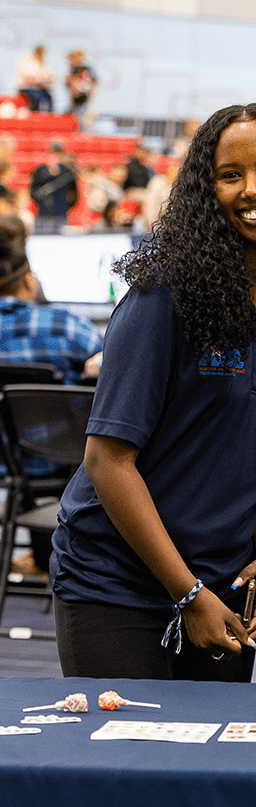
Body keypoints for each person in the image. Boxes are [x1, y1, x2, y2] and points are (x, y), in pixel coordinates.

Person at [50, 102, 256, 681]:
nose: (251, 189)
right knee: (124, 763)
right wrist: (187, 594)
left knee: (209, 765)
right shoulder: (163, 298)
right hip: (117, 584)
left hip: (225, 593)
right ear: (205, 189)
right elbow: (108, 463)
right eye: (229, 175)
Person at [0, 221, 104, 576]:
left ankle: (37, 558)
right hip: (61, 462)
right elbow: (112, 365)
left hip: (6, 463)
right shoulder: (63, 325)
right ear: (29, 280)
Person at [30, 140, 78, 226]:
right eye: (54, 151)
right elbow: (33, 191)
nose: (56, 154)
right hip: (43, 212)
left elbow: (74, 195)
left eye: (59, 152)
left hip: (61, 213)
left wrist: (64, 205)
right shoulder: (41, 170)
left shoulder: (67, 172)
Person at [17, 45, 53, 112]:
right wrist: (41, 80)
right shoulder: (29, 61)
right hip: (28, 88)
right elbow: (30, 77)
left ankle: (49, 117)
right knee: (36, 98)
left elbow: (48, 77)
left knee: (49, 97)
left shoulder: (42, 63)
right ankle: (35, 115)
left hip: (40, 89)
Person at [65, 49, 97, 121]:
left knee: (81, 116)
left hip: (83, 96)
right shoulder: (73, 69)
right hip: (75, 98)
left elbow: (93, 83)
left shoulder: (86, 69)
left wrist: (90, 94)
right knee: (75, 114)